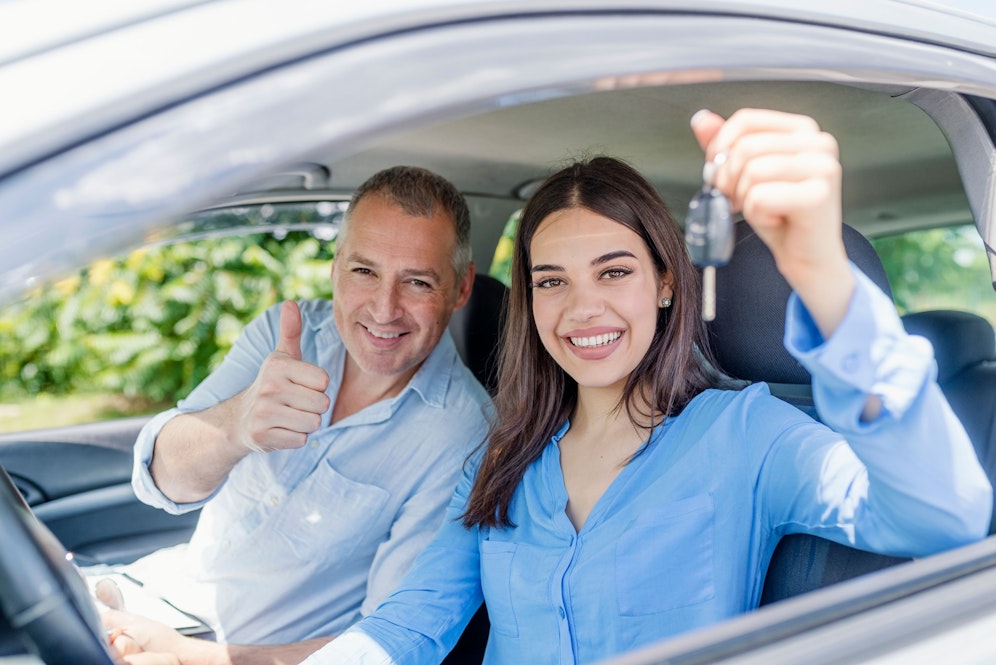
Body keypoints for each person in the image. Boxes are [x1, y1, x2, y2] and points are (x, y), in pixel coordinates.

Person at [108, 108, 992, 665]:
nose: (582, 308)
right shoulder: (503, 463)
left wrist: (825, 279)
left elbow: (941, 518)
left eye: (614, 271)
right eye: (551, 279)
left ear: (667, 283)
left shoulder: (747, 436)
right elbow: (407, 633)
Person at [108, 165, 493, 655]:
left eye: (417, 282)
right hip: (152, 592)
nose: (384, 308)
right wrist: (236, 424)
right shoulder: (284, 334)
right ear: (335, 269)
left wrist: (186, 656)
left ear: (461, 288)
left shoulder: (465, 437)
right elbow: (162, 480)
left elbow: (386, 644)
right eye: (364, 271)